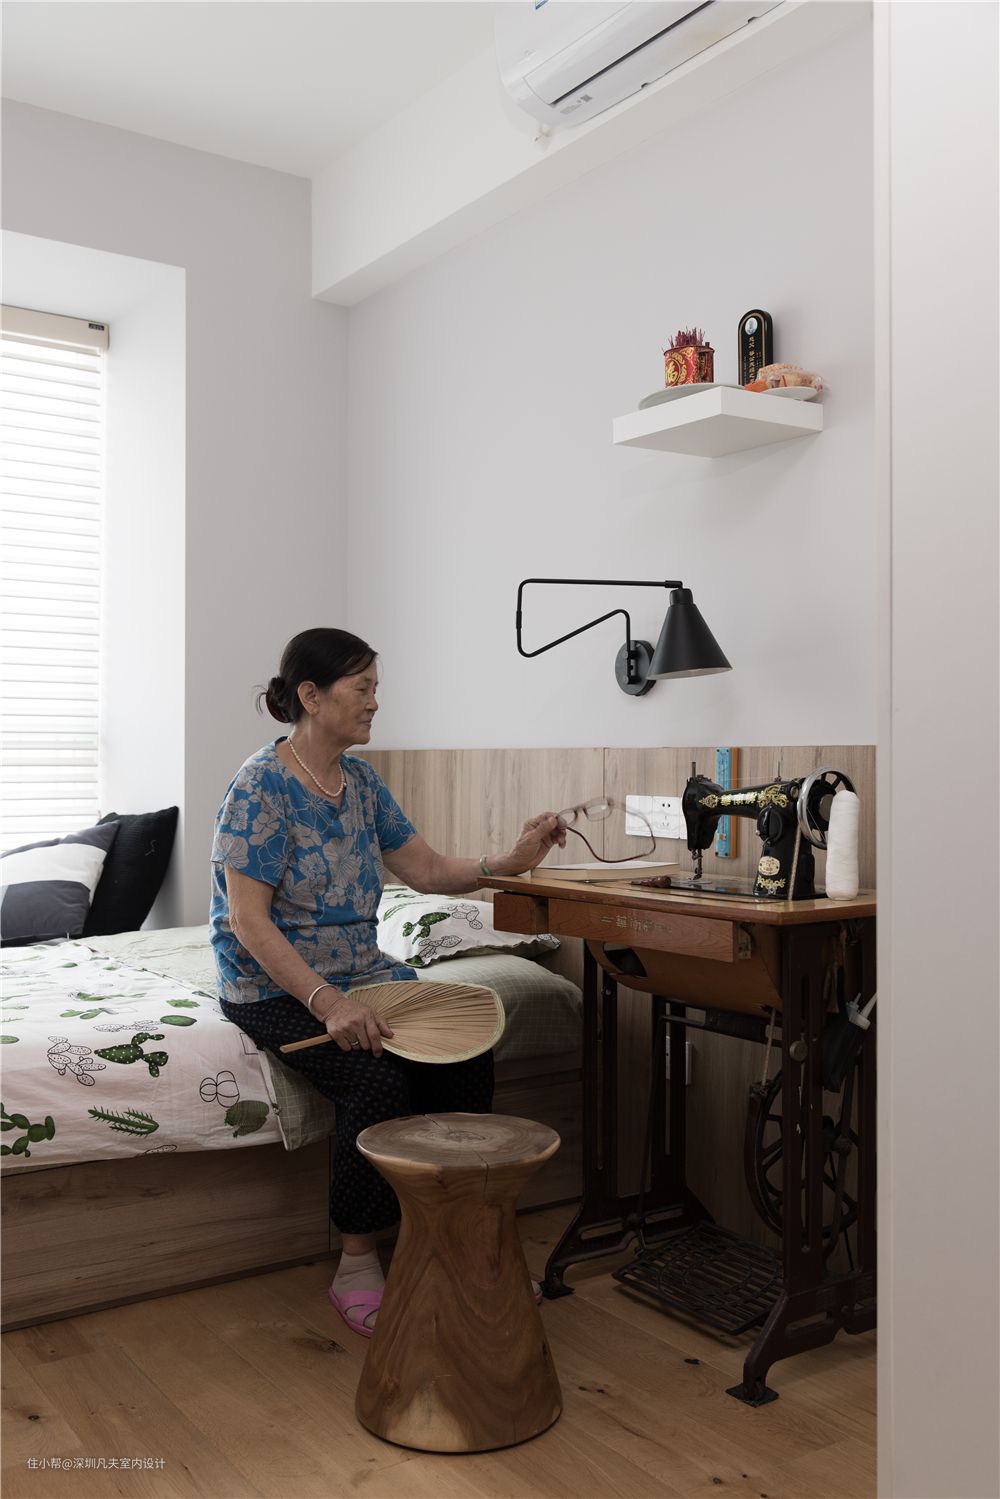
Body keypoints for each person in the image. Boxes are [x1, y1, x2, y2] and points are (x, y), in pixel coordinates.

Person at [210, 627, 565, 1337]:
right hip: (274, 987)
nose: (376, 701)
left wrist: (511, 861)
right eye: (363, 688)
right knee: (375, 1080)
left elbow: (426, 871)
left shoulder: (363, 784)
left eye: (377, 687)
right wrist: (327, 1002)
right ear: (312, 696)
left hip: (365, 974)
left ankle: (458, 1236)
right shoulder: (260, 787)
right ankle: (357, 1260)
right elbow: (249, 922)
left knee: (465, 1054)